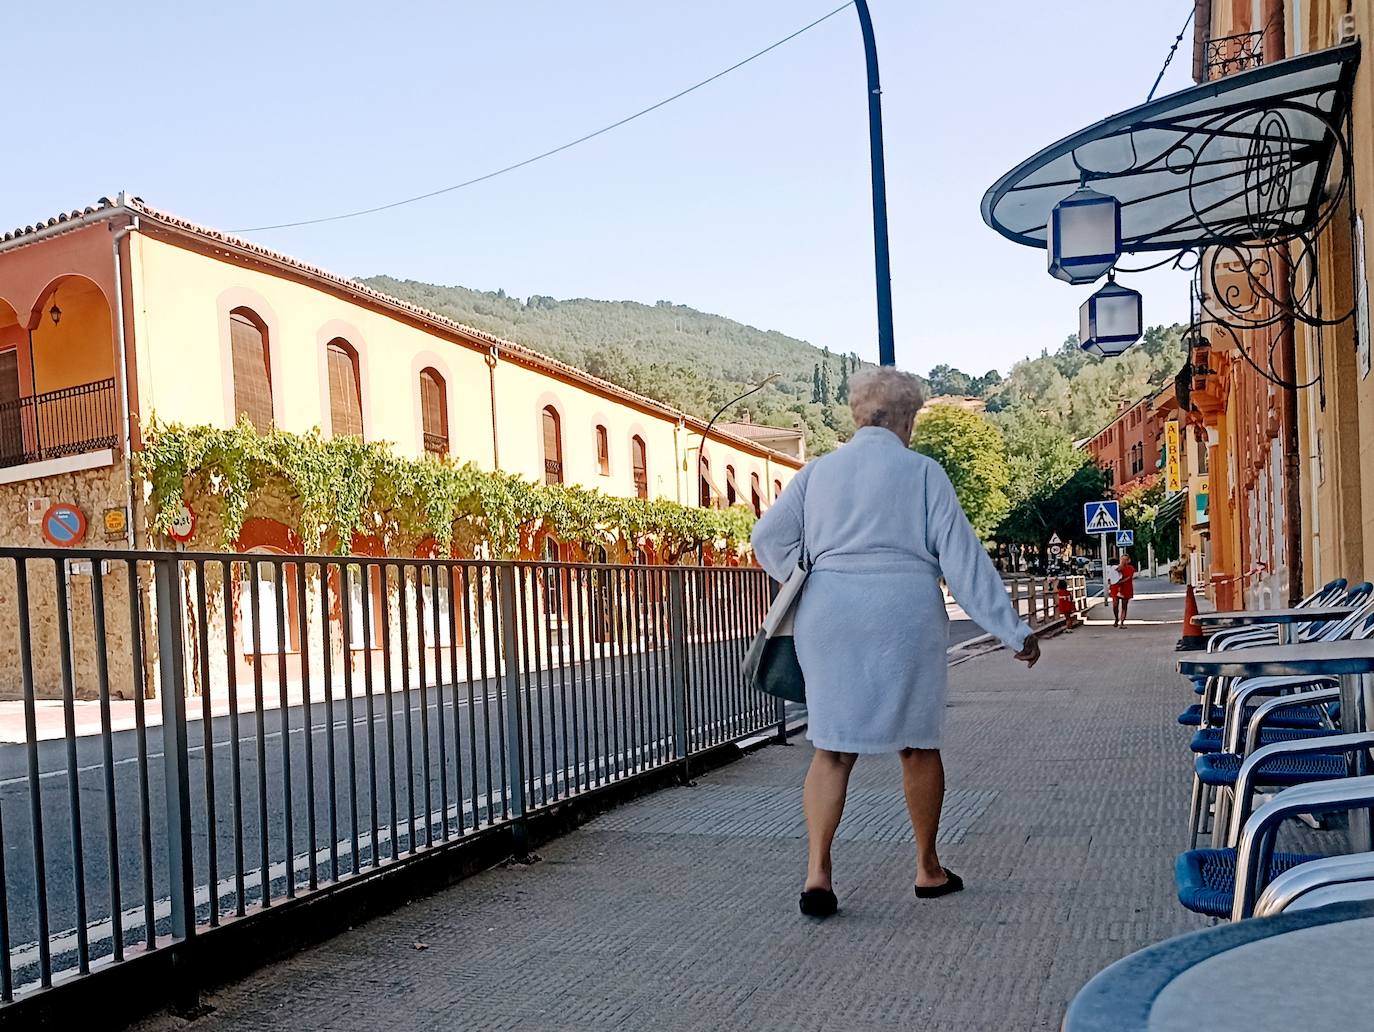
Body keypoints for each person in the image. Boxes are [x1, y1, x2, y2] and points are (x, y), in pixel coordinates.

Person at [750, 366, 1041, 920]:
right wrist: (1012, 629)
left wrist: (808, 574)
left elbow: (766, 539)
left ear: (859, 415)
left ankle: (817, 873)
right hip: (903, 611)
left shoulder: (817, 473)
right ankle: (928, 868)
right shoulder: (923, 472)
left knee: (832, 747)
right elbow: (961, 559)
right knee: (917, 742)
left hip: (829, 613)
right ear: (907, 420)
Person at [1113, 553, 1137, 627]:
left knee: (1124, 605)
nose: (1124, 561)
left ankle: (1122, 622)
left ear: (1128, 560)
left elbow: (1129, 577)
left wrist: (1120, 581)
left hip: (1126, 588)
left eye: (1125, 560)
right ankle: (1116, 619)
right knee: (1115, 604)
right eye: (1122, 559)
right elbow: (1111, 576)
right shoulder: (1116, 568)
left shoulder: (1130, 568)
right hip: (1116, 588)